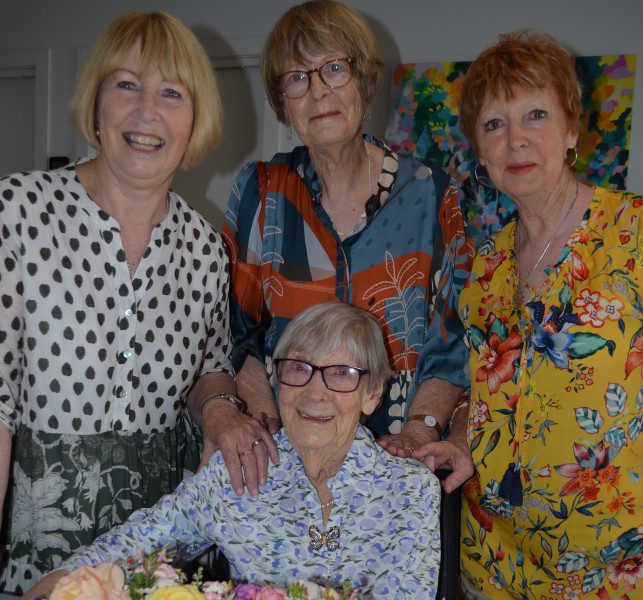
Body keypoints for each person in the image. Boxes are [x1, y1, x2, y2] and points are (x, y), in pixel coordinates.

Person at [0, 11, 239, 594]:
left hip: (151, 564)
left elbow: (212, 368)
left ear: (195, 120)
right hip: (29, 558)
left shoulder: (207, 249)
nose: (146, 111)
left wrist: (220, 409)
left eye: (171, 93)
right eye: (126, 84)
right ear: (96, 102)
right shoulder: (17, 212)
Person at [199, 0, 473, 500]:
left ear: (363, 82)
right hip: (283, 474)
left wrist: (418, 431)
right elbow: (238, 333)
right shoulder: (262, 192)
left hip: (398, 471)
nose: (318, 90)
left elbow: (452, 339)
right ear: (283, 104)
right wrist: (265, 425)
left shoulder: (429, 192)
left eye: (333, 69)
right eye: (297, 78)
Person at [24, 303, 442, 599]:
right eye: (298, 368)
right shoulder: (242, 470)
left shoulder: (409, 491)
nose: (316, 392)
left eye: (342, 374)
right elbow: (136, 542)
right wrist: (57, 584)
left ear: (372, 394)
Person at [453, 30, 642, 598]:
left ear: (570, 130)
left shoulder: (632, 232)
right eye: (494, 124)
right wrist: (457, 436)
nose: (516, 141)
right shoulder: (483, 270)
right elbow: (478, 397)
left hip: (615, 563)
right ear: (480, 151)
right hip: (495, 560)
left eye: (535, 114)